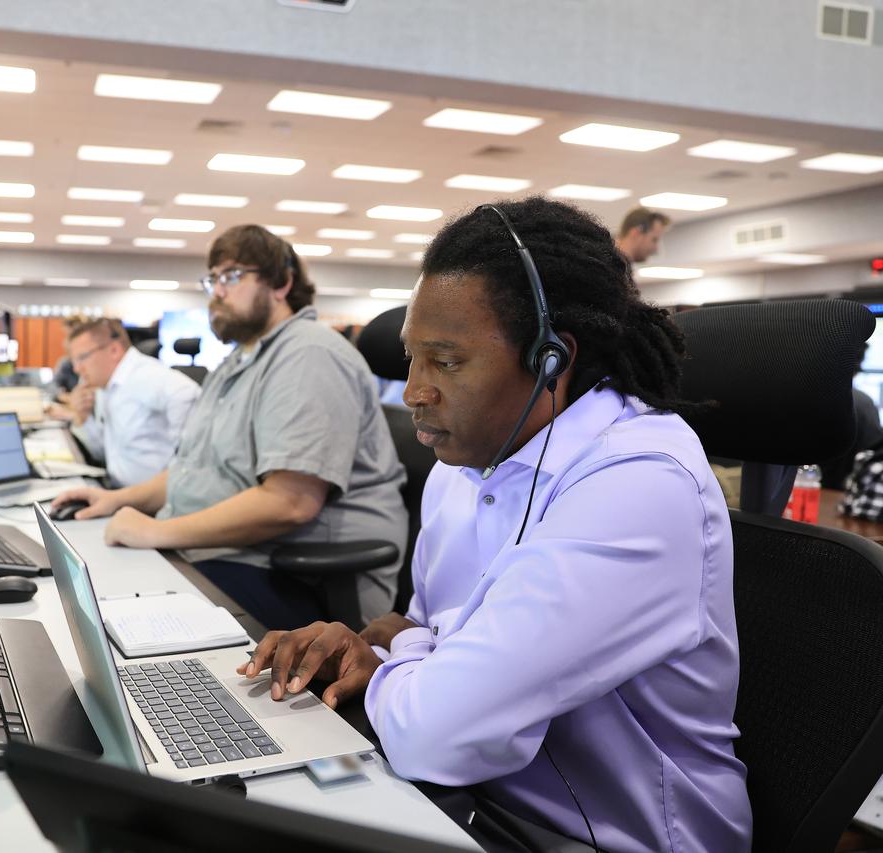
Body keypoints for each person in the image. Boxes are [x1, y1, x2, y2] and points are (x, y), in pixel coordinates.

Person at [243, 198, 751, 851]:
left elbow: (437, 727)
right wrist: (391, 652)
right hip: (466, 799)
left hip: (599, 834)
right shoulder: (467, 463)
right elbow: (423, 647)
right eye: (412, 359)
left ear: (550, 360)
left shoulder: (642, 483)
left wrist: (408, 655)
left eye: (446, 361)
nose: (415, 390)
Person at [51, 225, 407, 628]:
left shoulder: (308, 354)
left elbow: (290, 503)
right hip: (231, 552)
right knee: (94, 592)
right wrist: (116, 499)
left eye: (232, 276)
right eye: (213, 278)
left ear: (282, 283)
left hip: (299, 574)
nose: (217, 291)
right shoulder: (236, 364)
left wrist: (156, 532)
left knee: (114, 616)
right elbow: (192, 470)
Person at [62, 317, 201, 488]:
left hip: (152, 503)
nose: (77, 368)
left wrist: (178, 469)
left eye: (82, 358)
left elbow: (187, 393)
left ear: (114, 350)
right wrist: (82, 419)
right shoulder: (106, 386)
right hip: (119, 492)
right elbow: (102, 452)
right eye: (74, 361)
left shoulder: (146, 376)